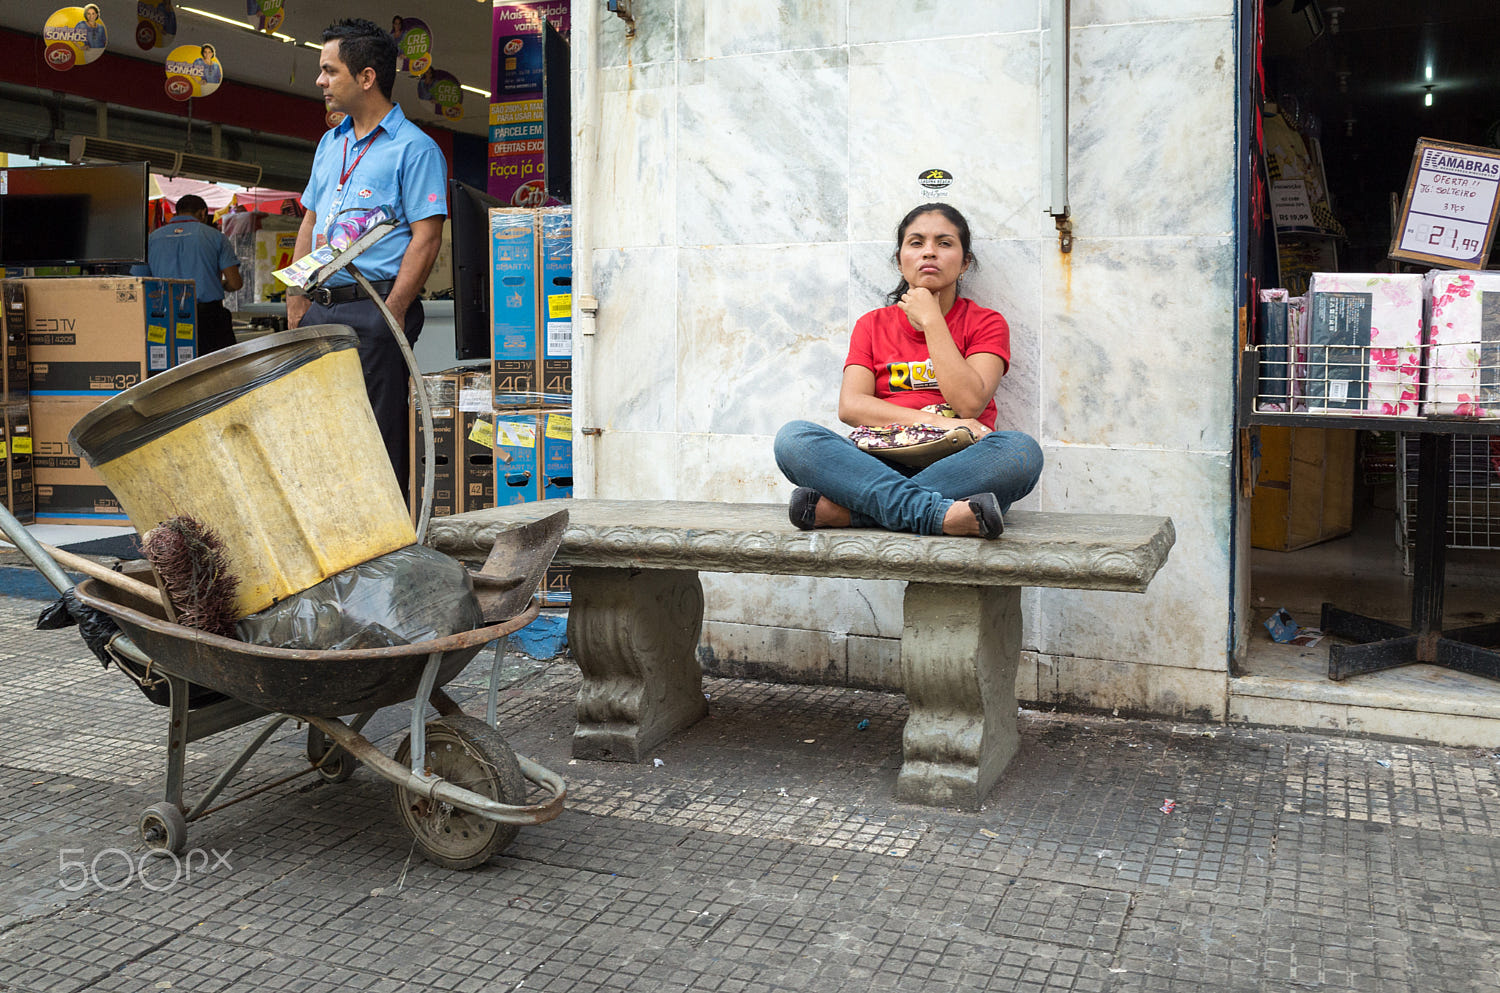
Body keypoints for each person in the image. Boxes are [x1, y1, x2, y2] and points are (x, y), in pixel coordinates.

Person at [773, 203, 1043, 539]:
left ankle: (857, 512)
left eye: (944, 243)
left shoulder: (986, 323)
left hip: (962, 464)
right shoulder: (872, 325)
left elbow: (970, 404)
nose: (929, 252)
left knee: (1020, 452)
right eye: (916, 243)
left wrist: (931, 321)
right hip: (877, 462)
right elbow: (851, 407)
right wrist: (936, 421)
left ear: (965, 262)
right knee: (794, 439)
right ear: (900, 260)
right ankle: (937, 514)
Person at [287, 17, 446, 494]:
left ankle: (384, 556)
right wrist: (296, 300)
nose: (320, 81)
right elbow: (310, 222)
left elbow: (427, 237)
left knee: (377, 437)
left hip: (376, 307)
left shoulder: (415, 149)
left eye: (329, 70)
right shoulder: (329, 143)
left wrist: (393, 312)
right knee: (321, 433)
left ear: (366, 77)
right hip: (321, 308)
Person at [130, 193, 243, 354]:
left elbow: (138, 282)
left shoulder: (151, 239)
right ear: (203, 213)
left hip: (163, 318)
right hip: (208, 319)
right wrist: (220, 284)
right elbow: (235, 283)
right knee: (216, 372)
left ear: (177, 212)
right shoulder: (216, 237)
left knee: (170, 369)